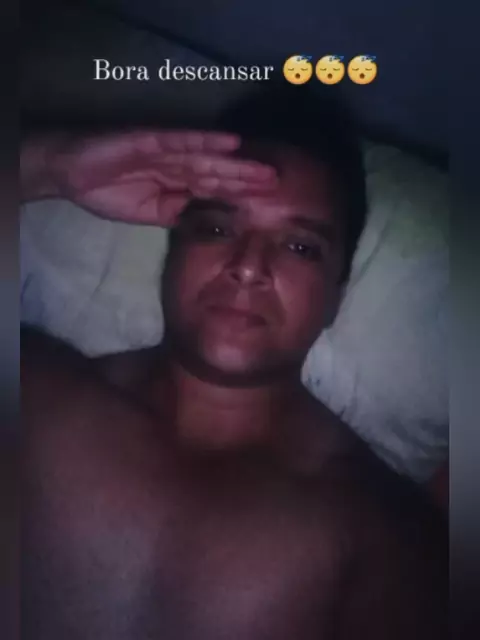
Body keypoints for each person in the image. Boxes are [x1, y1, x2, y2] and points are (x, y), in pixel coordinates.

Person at [21, 85, 447, 640]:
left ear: (335, 297)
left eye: (300, 246)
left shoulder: (383, 534)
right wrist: (48, 167)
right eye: (218, 228)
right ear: (174, 249)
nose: (248, 266)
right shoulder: (37, 393)